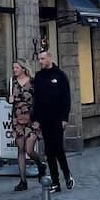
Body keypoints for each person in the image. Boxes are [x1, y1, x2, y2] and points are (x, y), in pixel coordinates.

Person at [31, 49, 73, 191]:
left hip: (57, 119)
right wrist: (35, 119)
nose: (40, 62)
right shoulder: (38, 77)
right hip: (44, 119)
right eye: (39, 59)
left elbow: (66, 98)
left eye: (42, 59)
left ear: (49, 58)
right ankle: (55, 182)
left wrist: (64, 118)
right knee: (49, 151)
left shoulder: (60, 75)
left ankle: (67, 174)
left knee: (58, 149)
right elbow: (36, 100)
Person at [8, 60, 44, 191]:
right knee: (21, 150)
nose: (14, 70)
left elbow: (39, 100)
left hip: (31, 119)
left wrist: (39, 119)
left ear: (23, 69)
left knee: (29, 149)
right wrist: (10, 99)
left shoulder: (33, 82)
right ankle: (23, 181)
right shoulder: (12, 82)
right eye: (13, 68)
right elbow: (11, 98)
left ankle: (40, 164)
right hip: (17, 120)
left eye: (16, 67)